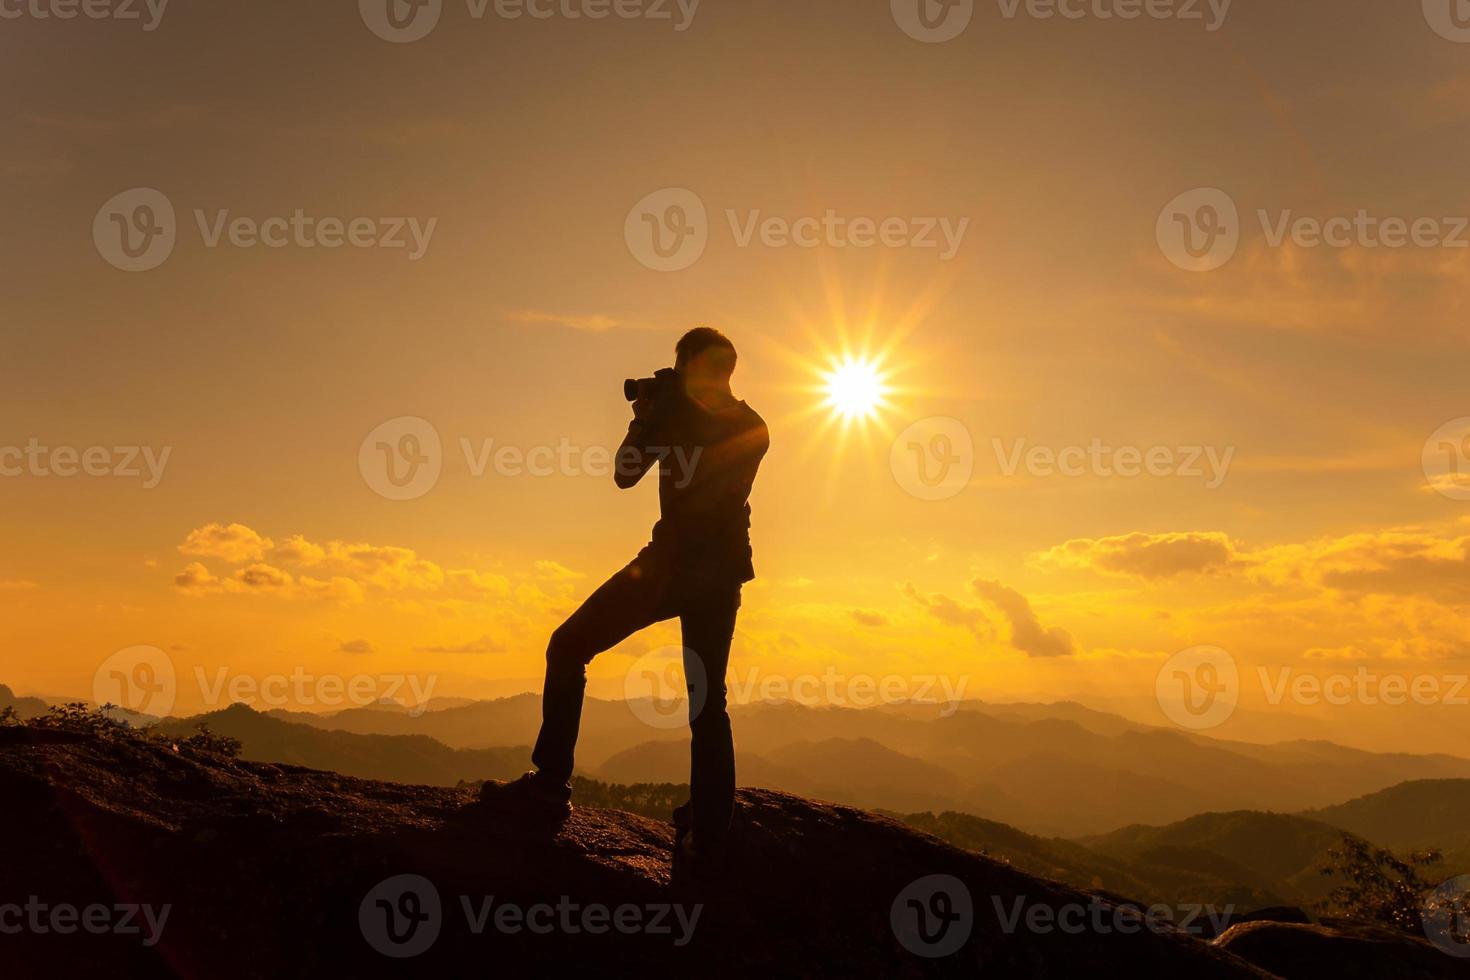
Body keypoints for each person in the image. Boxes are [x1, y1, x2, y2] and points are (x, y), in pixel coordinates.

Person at [482, 327, 769, 872]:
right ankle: (709, 834)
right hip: (721, 575)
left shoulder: (682, 419)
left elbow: (624, 474)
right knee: (709, 704)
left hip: (668, 568)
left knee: (568, 646)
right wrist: (662, 413)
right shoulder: (755, 426)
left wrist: (647, 418)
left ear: (688, 366)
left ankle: (549, 785)